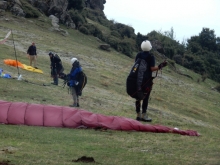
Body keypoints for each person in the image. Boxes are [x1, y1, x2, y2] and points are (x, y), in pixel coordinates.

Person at [135, 40, 167, 122]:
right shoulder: (151, 56)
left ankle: (138, 114)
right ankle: (144, 115)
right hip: (146, 80)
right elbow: (152, 69)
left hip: (138, 79)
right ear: (150, 47)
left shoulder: (138, 55)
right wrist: (160, 66)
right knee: (145, 97)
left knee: (138, 96)